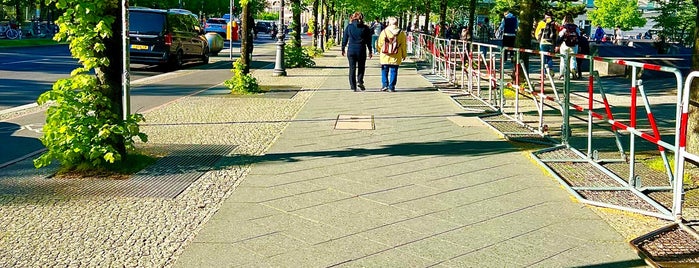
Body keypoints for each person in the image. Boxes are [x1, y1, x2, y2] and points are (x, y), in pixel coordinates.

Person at [342, 12, 373, 92]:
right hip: (361, 49)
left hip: (351, 50)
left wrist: (343, 48)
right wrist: (370, 50)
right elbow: (368, 40)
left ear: (353, 18)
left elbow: (345, 38)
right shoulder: (365, 28)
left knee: (352, 68)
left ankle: (353, 86)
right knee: (361, 67)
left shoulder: (349, 27)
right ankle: (359, 81)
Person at [377, 17, 407, 92]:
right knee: (394, 70)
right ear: (397, 23)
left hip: (385, 55)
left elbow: (380, 43)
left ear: (389, 23)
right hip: (396, 54)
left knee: (384, 70)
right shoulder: (401, 33)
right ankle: (391, 86)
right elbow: (403, 45)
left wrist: (380, 50)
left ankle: (385, 85)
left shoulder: (384, 32)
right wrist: (404, 54)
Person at [557, 15, 581, 79]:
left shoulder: (564, 27)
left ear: (564, 20)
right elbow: (579, 36)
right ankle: (573, 69)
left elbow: (560, 36)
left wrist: (557, 45)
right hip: (574, 46)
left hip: (564, 45)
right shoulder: (576, 27)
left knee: (563, 60)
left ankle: (562, 75)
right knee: (573, 58)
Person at [534, 11, 556, 75]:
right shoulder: (554, 23)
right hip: (551, 43)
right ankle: (550, 69)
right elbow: (557, 33)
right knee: (549, 57)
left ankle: (543, 73)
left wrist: (538, 39)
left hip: (543, 42)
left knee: (543, 57)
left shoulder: (541, 23)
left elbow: (537, 33)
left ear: (545, 15)